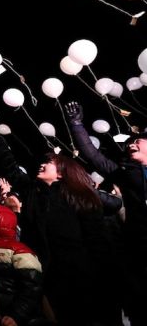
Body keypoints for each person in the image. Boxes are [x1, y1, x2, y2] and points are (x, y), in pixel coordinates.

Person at [0, 120, 120, 325]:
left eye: (48, 162)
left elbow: (97, 238)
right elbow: (12, 169)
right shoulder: (32, 193)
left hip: (85, 275)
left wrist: (105, 275)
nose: (42, 164)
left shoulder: (79, 196)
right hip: (52, 276)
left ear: (61, 172)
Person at [65, 101, 147, 325]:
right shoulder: (125, 174)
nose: (131, 144)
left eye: (137, 141)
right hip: (140, 248)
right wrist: (76, 124)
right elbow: (92, 155)